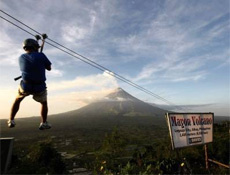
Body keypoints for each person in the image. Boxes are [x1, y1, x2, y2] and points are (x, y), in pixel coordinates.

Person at [8, 38, 52, 130]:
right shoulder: (41, 55)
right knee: (44, 103)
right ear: (35, 47)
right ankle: (43, 123)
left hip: (25, 85)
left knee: (17, 100)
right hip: (39, 86)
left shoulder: (21, 57)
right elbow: (49, 68)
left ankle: (11, 120)